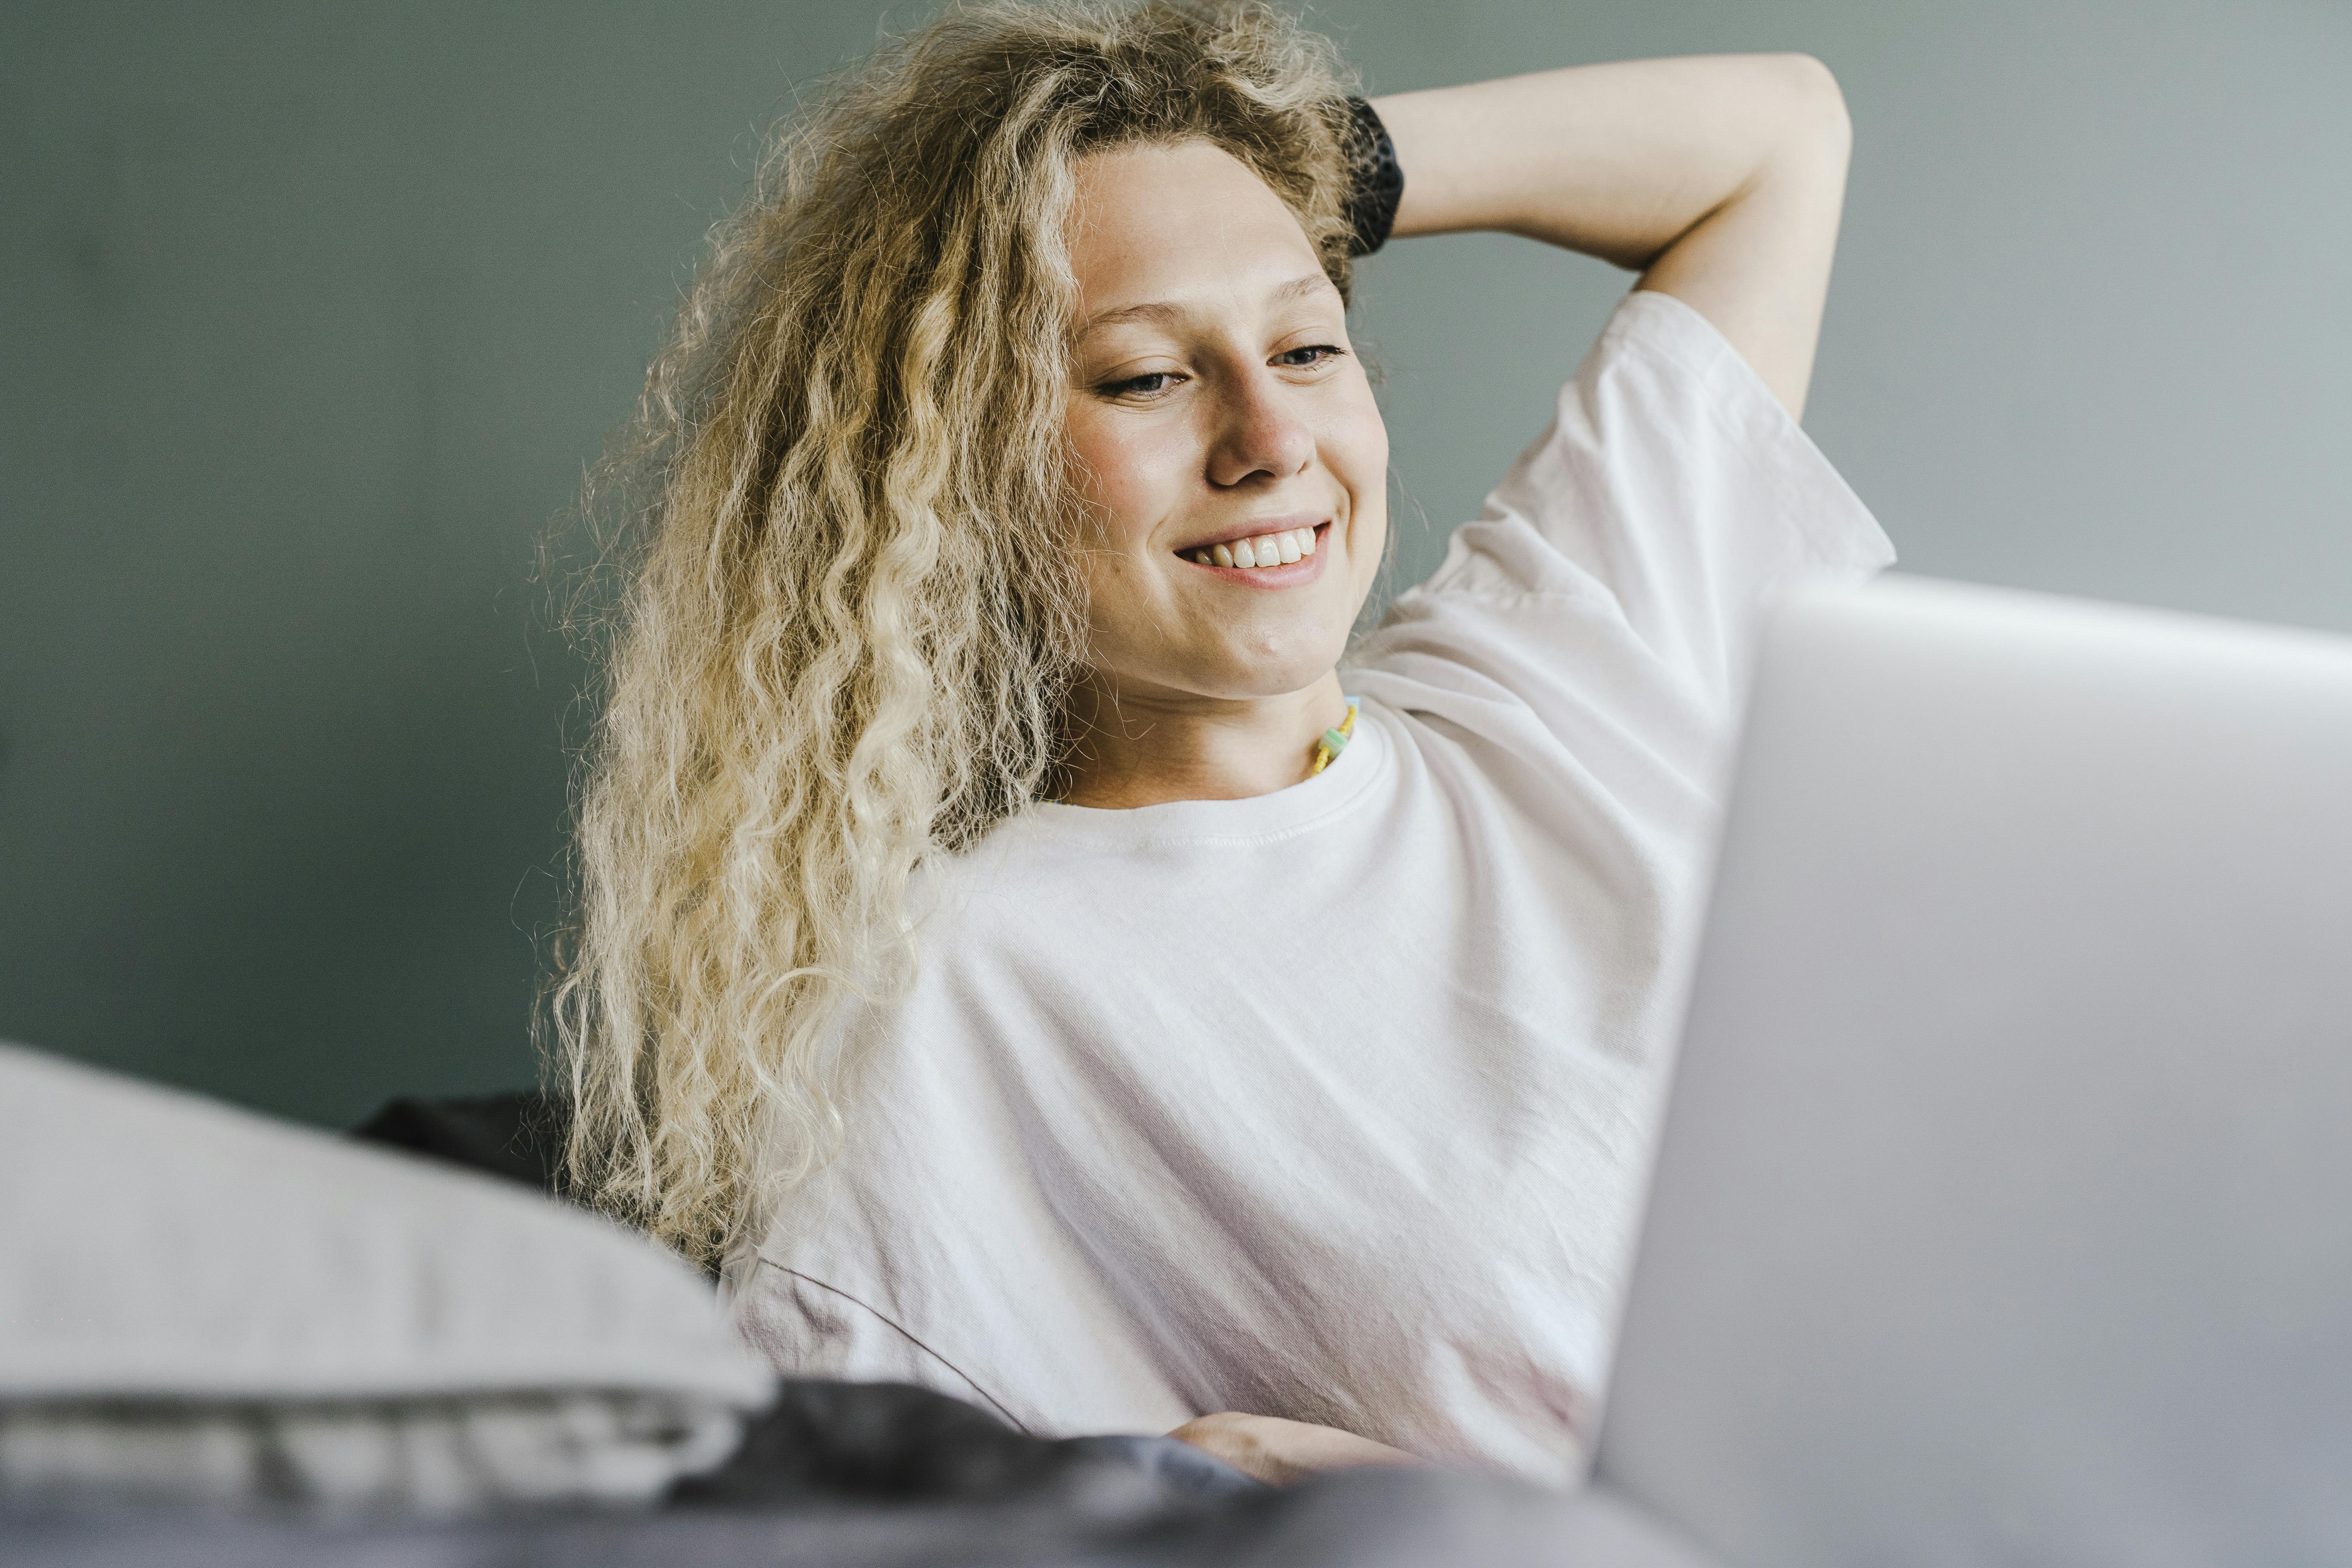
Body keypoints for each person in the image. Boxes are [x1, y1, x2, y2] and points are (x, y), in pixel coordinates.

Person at [552, 0, 1891, 1487]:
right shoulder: (951, 1000)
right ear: (952, 476)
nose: (1271, 439)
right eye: (1145, 377)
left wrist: (1272, 161)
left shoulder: (1560, 662)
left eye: (1307, 342)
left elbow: (1777, 136)